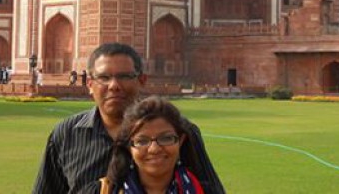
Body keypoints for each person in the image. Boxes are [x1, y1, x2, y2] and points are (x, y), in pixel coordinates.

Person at [32, 42, 225, 194]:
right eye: (104, 78)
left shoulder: (177, 130)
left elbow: (208, 188)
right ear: (90, 84)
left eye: (124, 76)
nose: (114, 85)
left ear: (142, 80)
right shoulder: (67, 133)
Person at [93, 96, 205, 193]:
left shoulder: (200, 190)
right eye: (142, 141)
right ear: (128, 146)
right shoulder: (103, 190)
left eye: (166, 138)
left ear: (180, 141)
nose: (154, 149)